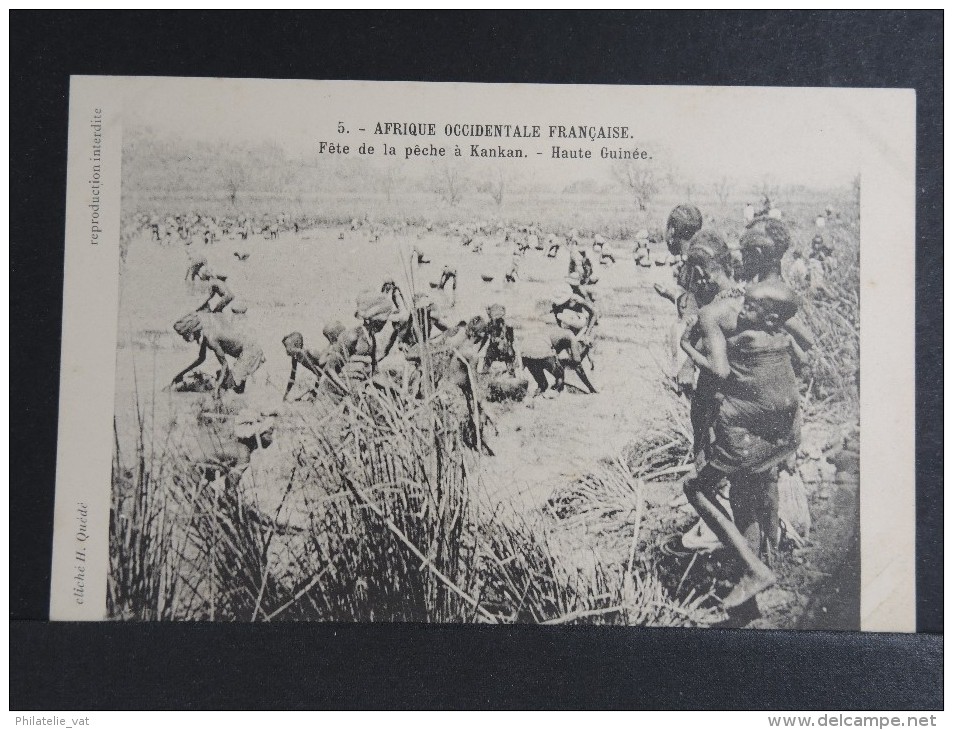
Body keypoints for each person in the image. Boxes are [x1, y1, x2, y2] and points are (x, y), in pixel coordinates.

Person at [679, 281, 803, 608]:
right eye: (744, 303)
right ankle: (759, 576)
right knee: (746, 495)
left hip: (745, 437)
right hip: (781, 435)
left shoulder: (713, 317)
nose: (743, 310)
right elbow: (801, 355)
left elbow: (718, 372)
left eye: (751, 307)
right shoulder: (777, 333)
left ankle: (754, 569)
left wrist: (687, 349)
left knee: (696, 489)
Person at [172, 312, 264, 397]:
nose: (184, 338)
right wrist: (181, 374)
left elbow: (224, 364)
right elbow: (201, 358)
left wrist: (217, 387)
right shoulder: (206, 331)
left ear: (191, 332)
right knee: (230, 383)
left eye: (184, 335)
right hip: (247, 350)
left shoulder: (210, 338)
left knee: (228, 387)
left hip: (250, 351)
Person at [281, 323, 345, 401]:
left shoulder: (309, 352)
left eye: (288, 347)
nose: (287, 351)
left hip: (328, 374)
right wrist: (286, 394)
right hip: (321, 376)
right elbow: (292, 377)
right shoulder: (296, 358)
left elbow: (322, 362)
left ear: (296, 345)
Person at [480, 304, 517, 375]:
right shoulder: (492, 325)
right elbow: (511, 340)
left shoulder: (503, 326)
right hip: (497, 349)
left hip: (500, 349)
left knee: (488, 363)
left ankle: (484, 375)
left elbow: (511, 340)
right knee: (488, 361)